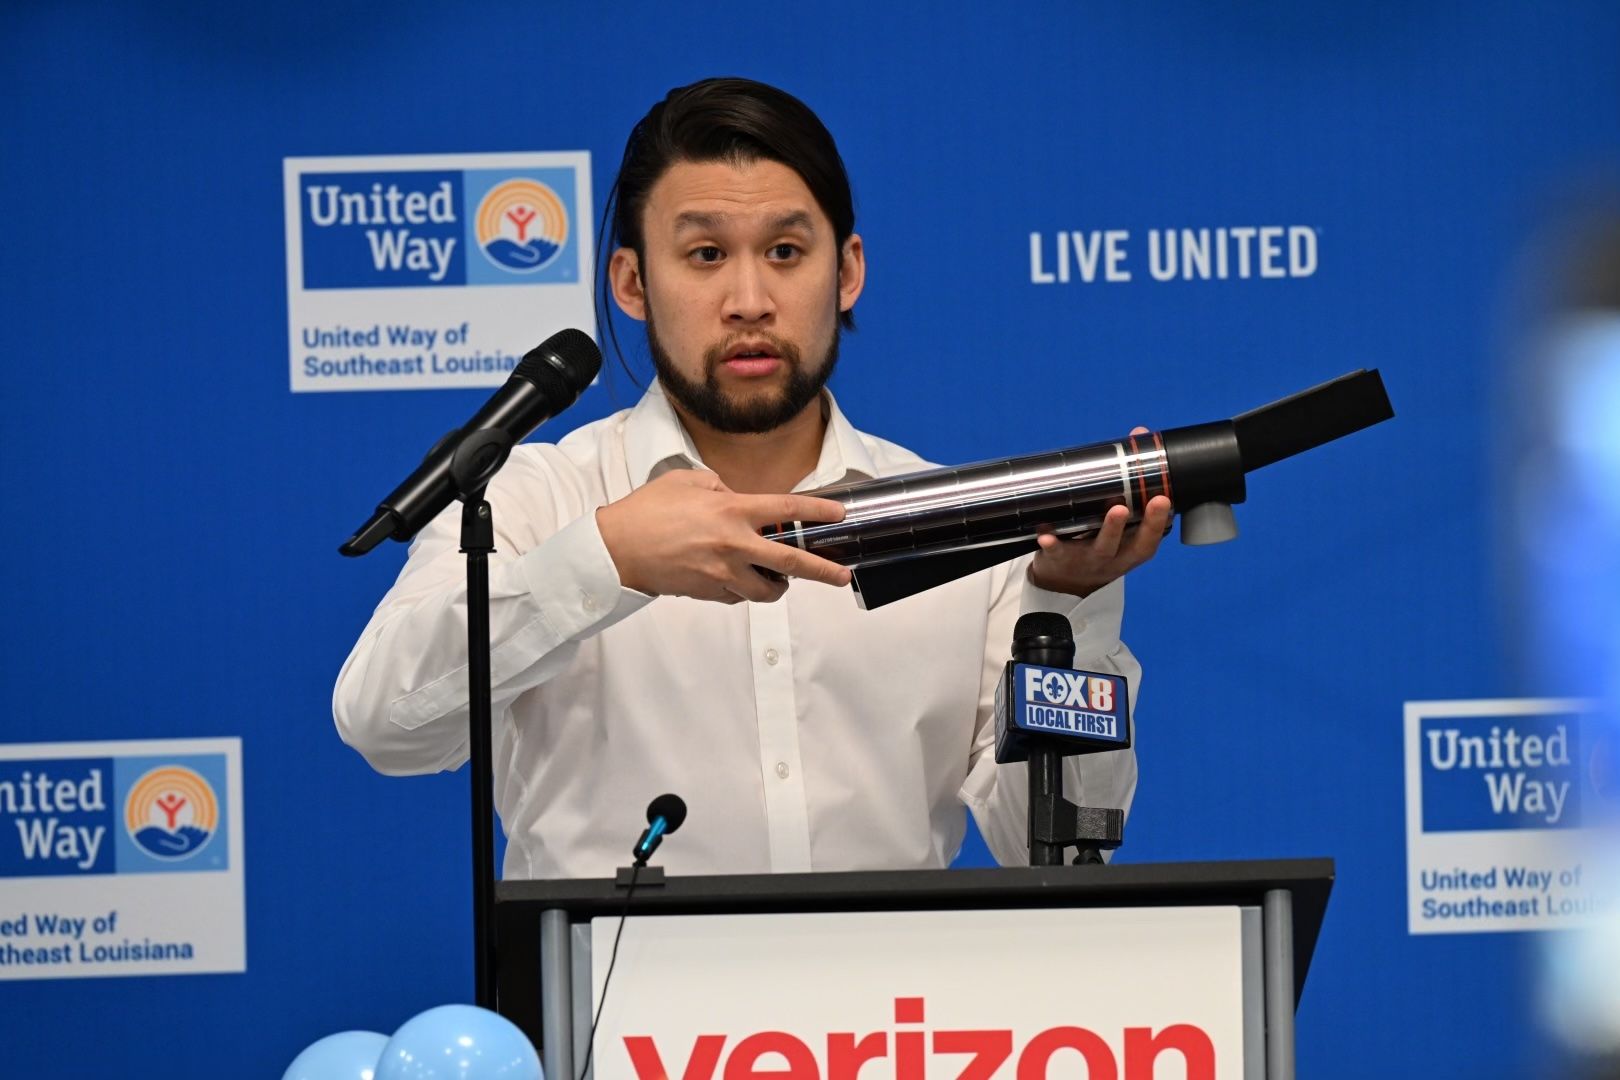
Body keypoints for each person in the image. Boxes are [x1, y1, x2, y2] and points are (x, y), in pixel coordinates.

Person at [332, 77, 1173, 879]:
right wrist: (606, 559)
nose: (748, 299)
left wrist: (1070, 607)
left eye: (784, 251)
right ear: (632, 281)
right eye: (703, 254)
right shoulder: (536, 497)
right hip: (617, 1024)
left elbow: (1052, 847)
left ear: (846, 271)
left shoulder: (956, 521)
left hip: (891, 1028)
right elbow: (385, 726)